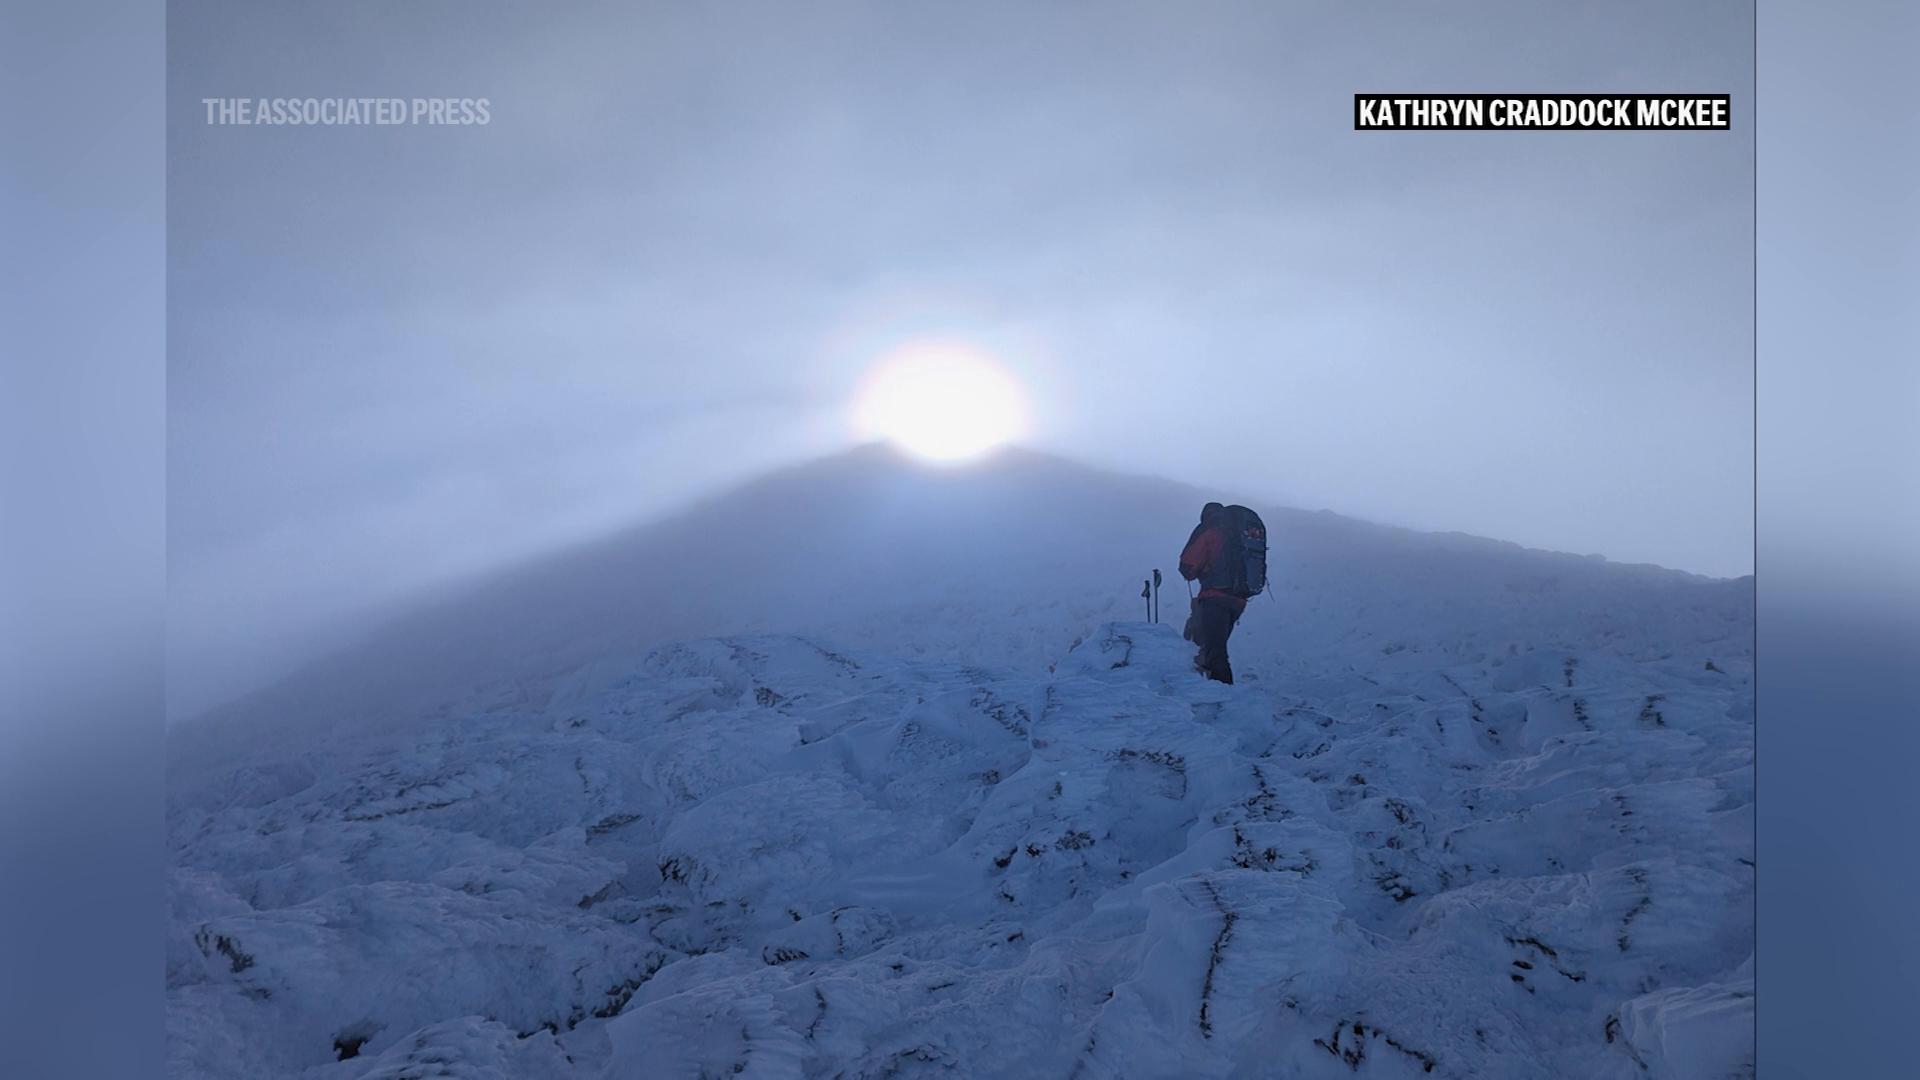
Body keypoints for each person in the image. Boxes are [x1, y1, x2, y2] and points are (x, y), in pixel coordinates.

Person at [1178, 501, 1248, 684]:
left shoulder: (1211, 529)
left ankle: (1222, 696)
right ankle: (1211, 690)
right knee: (1215, 647)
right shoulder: (1238, 534)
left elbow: (1188, 564)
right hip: (1238, 601)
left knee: (1212, 651)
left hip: (1214, 597)